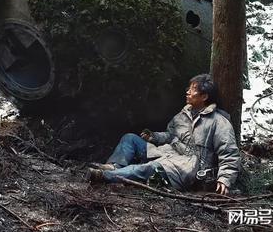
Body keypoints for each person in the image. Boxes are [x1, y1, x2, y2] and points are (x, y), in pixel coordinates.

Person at [87, 74, 240, 195]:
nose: (187, 91)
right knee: (130, 138)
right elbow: (169, 135)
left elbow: (229, 153)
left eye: (192, 89)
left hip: (187, 166)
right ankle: (114, 167)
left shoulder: (219, 122)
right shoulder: (183, 114)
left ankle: (104, 177)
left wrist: (225, 179)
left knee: (148, 168)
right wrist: (154, 137)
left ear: (204, 96)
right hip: (167, 153)